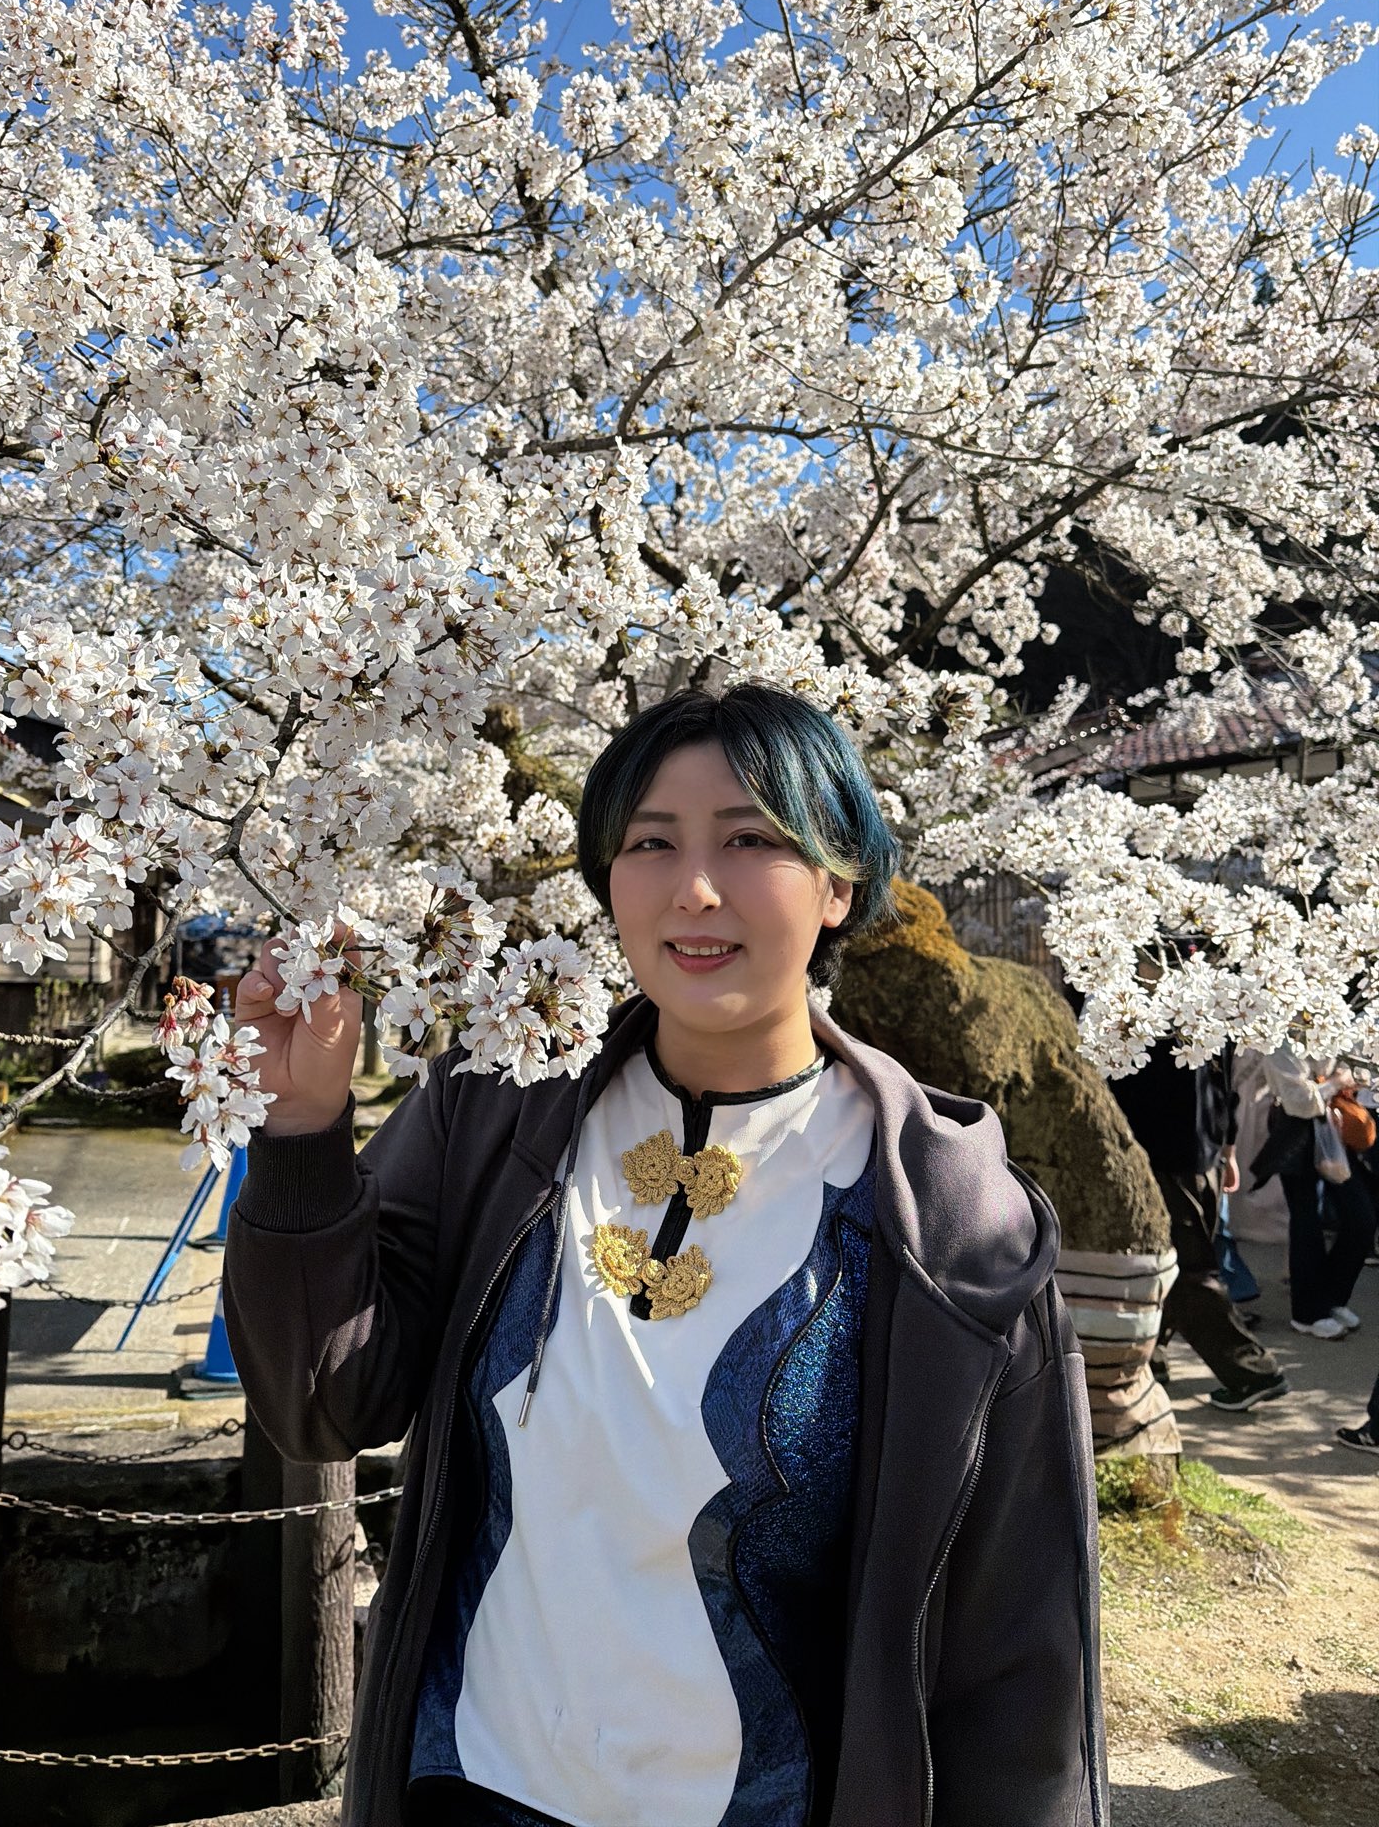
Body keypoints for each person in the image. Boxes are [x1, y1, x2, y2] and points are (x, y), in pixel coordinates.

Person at [223, 684, 1107, 1827]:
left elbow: (1021, 1662)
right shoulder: (496, 1110)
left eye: (750, 839)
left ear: (839, 883)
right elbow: (323, 1401)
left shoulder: (952, 1226)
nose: (695, 887)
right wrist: (302, 1134)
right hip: (469, 1785)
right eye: (651, 842)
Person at [1110, 1040, 1288, 1412]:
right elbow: (1224, 1079)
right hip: (1194, 1151)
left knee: (1183, 1268)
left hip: (1168, 1152)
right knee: (1160, 1259)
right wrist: (1227, 1147)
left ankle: (1252, 1371)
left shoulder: (1159, 1010)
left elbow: (1221, 1075)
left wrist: (1227, 1148)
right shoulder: (1200, 1008)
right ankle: (1152, 1356)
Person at [1241, 1047, 1376, 1342]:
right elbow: (1299, 1101)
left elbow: (1354, 1066)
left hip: (1334, 1122)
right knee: (1306, 1221)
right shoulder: (1280, 1037)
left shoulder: (1334, 1026)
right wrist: (1336, 1082)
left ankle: (1331, 1297)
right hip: (1294, 1131)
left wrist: (1344, 1080)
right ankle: (1308, 1313)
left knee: (1362, 1218)